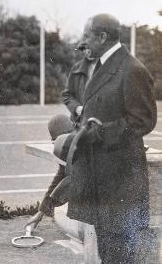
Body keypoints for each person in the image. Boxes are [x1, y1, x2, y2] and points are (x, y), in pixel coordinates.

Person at [67, 14, 157, 263]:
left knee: (121, 252)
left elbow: (143, 121)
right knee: (107, 250)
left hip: (121, 180)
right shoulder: (103, 65)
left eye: (87, 36)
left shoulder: (132, 69)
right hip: (102, 176)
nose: (83, 42)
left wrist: (101, 132)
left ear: (102, 37)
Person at [25, 114, 74, 228]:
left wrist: (49, 205)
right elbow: (60, 177)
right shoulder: (69, 145)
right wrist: (40, 212)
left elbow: (68, 181)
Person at [62, 46, 98, 125]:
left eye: (90, 47)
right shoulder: (76, 68)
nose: (88, 51)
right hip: (80, 123)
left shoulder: (110, 68)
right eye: (85, 48)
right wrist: (76, 108)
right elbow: (67, 95)